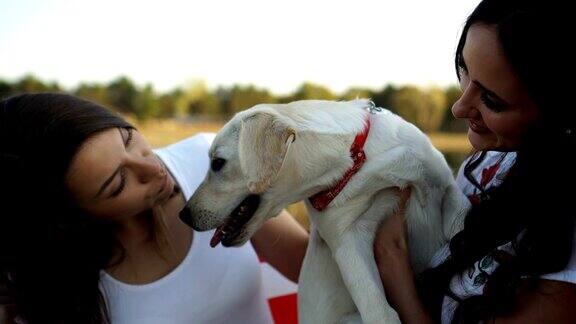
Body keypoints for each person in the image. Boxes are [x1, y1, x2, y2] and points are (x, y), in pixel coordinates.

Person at [0, 93, 309, 323]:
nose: (151, 166)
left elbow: (303, 264)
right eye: (119, 183)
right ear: (72, 218)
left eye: (127, 138)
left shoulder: (209, 161)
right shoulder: (52, 284)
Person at [373, 0, 576, 323]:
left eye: (492, 100)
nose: (458, 107)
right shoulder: (490, 163)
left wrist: (393, 265)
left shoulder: (565, 258)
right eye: (464, 69)